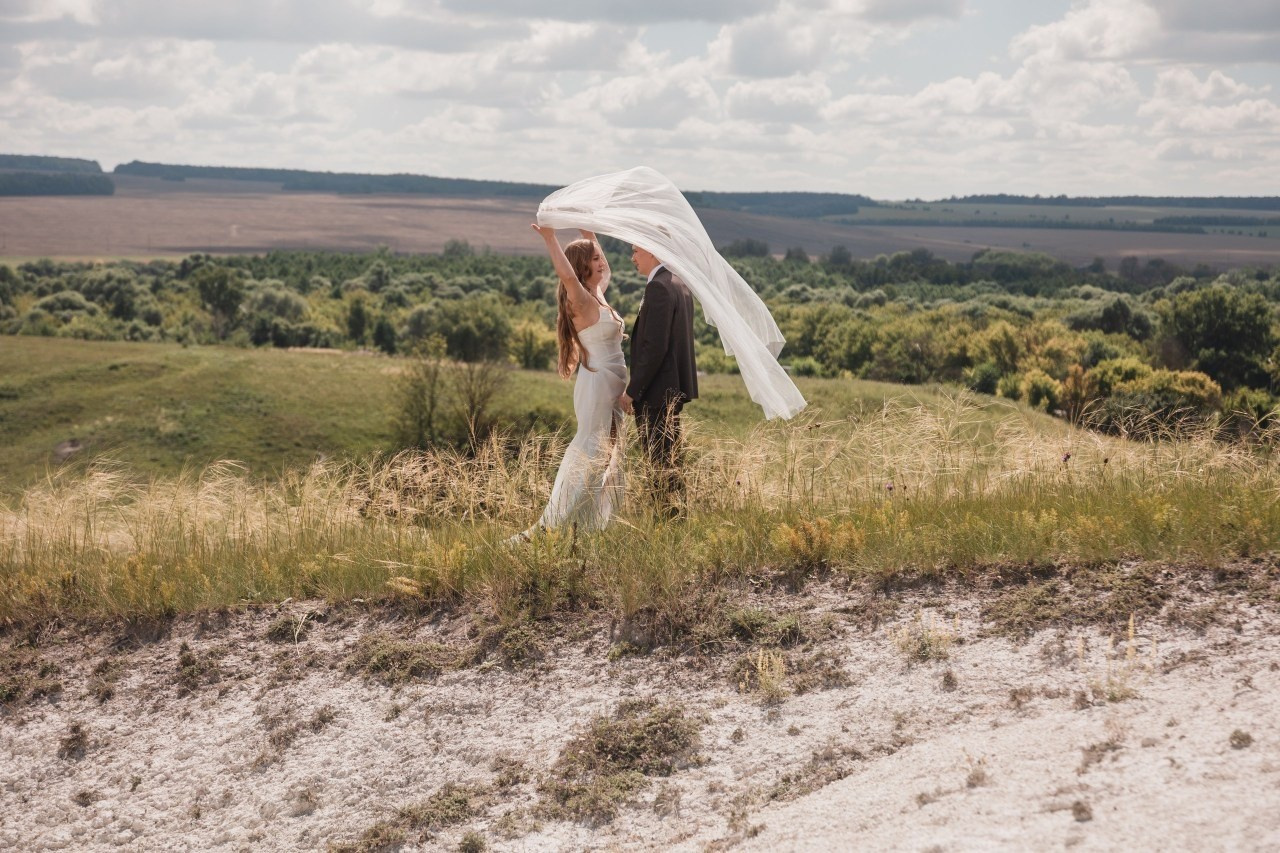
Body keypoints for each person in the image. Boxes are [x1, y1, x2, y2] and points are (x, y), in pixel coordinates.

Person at [516, 224, 627, 540]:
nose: (601, 262)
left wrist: (589, 234)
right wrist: (550, 238)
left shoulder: (596, 293)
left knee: (609, 453)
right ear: (582, 266)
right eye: (595, 258)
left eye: (599, 257)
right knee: (591, 449)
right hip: (598, 385)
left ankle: (593, 522)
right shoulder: (581, 300)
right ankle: (556, 521)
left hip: (611, 385)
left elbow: (605, 272)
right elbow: (566, 275)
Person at [619, 244, 697, 518]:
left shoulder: (659, 287)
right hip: (671, 389)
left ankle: (669, 520)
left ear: (651, 251)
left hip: (656, 393)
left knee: (659, 462)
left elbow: (654, 348)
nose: (633, 258)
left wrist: (632, 391)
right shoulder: (678, 283)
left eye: (636, 250)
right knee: (669, 460)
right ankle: (675, 518)